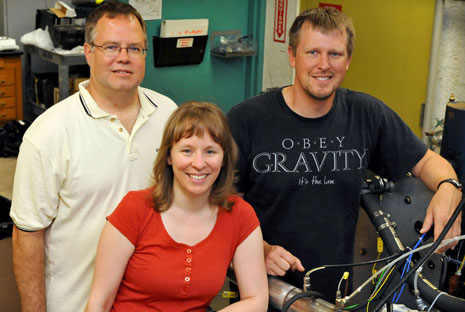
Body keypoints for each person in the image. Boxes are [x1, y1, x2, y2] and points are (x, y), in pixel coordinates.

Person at [227, 7, 462, 303]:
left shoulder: (366, 114)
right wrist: (258, 249)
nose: (323, 65)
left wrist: (448, 186)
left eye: (335, 54)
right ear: (292, 56)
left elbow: (428, 161)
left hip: (336, 295)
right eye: (312, 52)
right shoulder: (247, 119)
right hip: (263, 291)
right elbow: (221, 203)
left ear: (348, 60)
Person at [10, 3, 177, 312]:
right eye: (111, 47)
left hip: (152, 303)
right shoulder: (49, 134)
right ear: (88, 52)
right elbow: (27, 236)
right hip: (76, 304)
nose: (123, 58)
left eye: (135, 48)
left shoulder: (169, 114)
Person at [85, 101, 268, 312]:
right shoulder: (135, 209)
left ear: (225, 158)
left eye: (210, 152)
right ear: (169, 156)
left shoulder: (239, 215)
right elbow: (99, 303)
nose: (199, 163)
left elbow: (257, 300)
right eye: (187, 151)